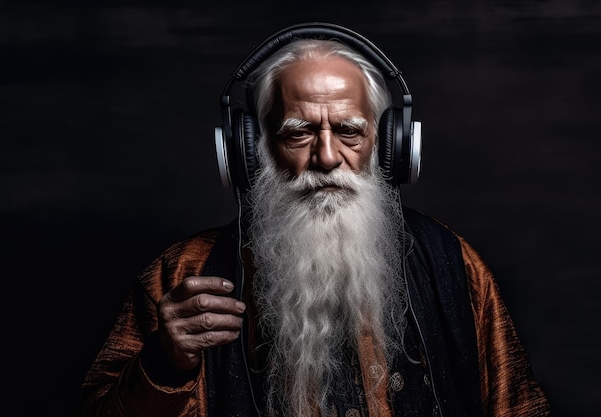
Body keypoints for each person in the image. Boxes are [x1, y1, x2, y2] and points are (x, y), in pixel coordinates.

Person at [78, 23, 551, 417]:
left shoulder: (453, 263)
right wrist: (164, 364)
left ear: (391, 146)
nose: (326, 157)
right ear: (251, 151)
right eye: (298, 132)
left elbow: (519, 406)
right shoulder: (181, 274)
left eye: (349, 131)